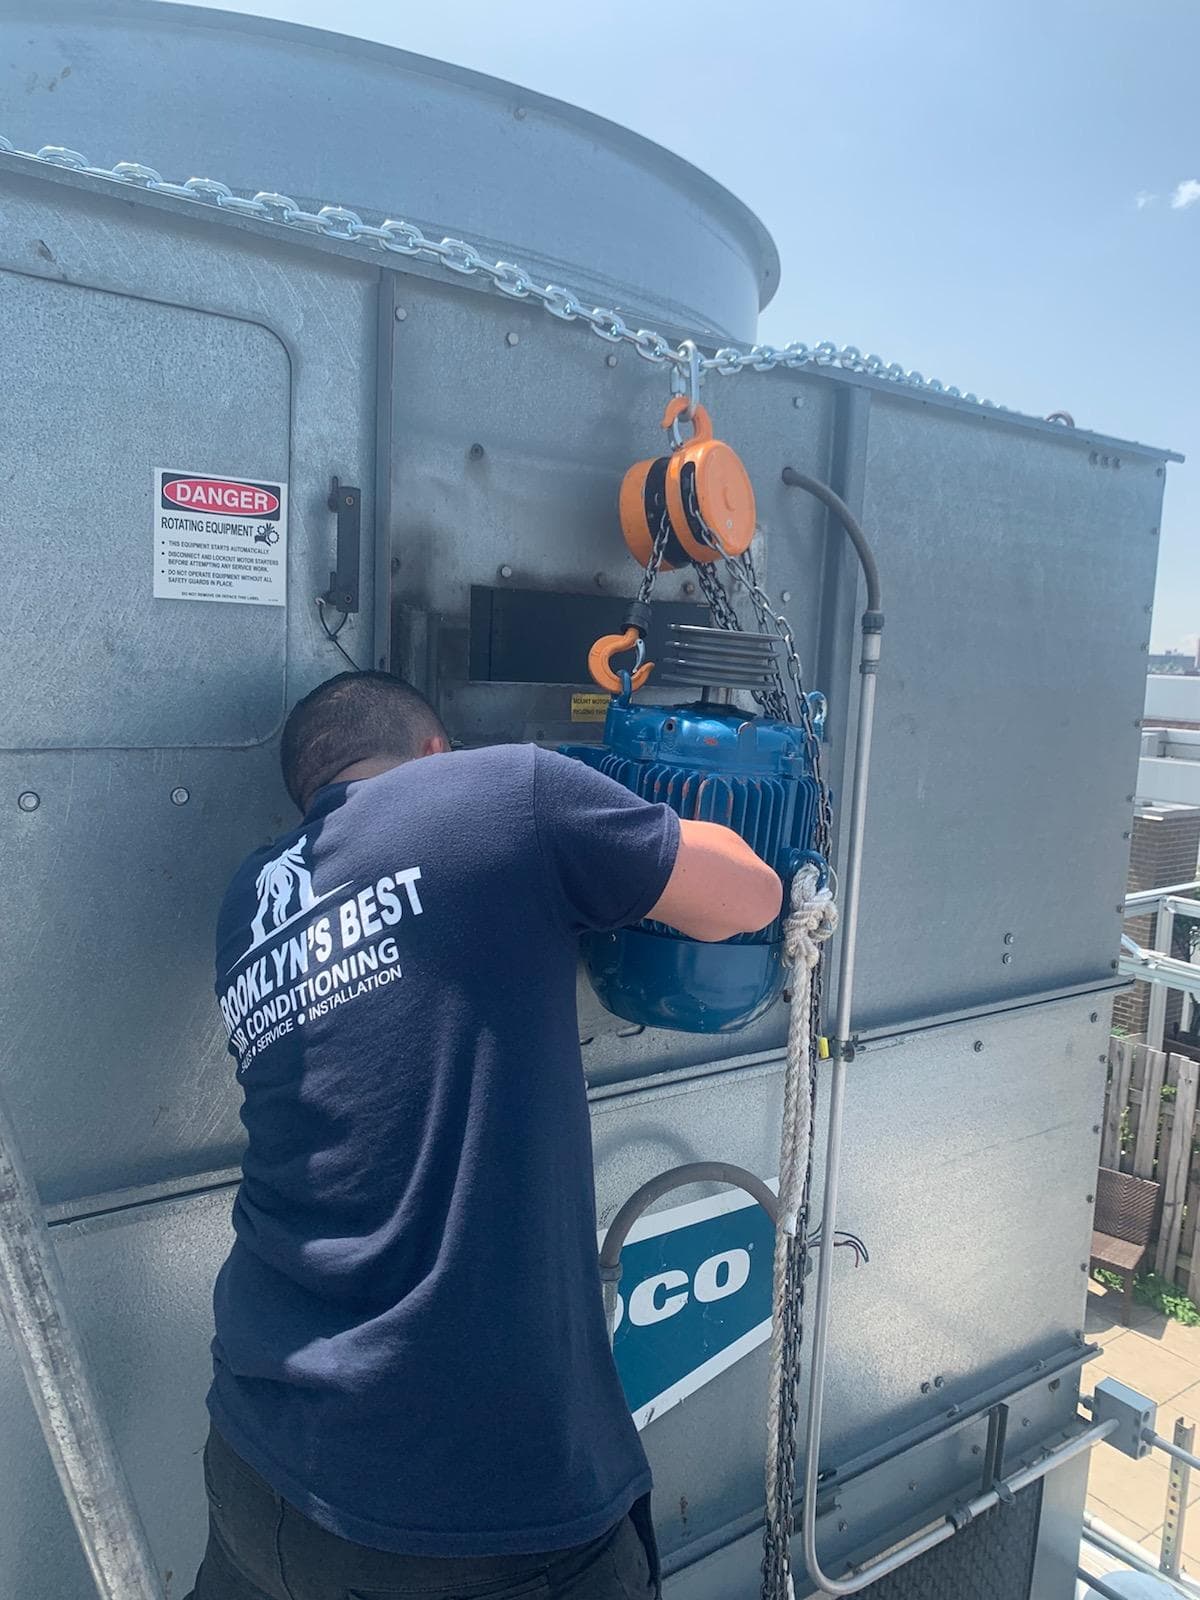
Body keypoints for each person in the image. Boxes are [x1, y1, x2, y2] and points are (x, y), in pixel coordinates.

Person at [187, 670, 783, 1600]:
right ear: (435, 749)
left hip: (259, 1457)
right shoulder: (504, 788)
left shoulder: (246, 902)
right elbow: (747, 897)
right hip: (468, 1510)